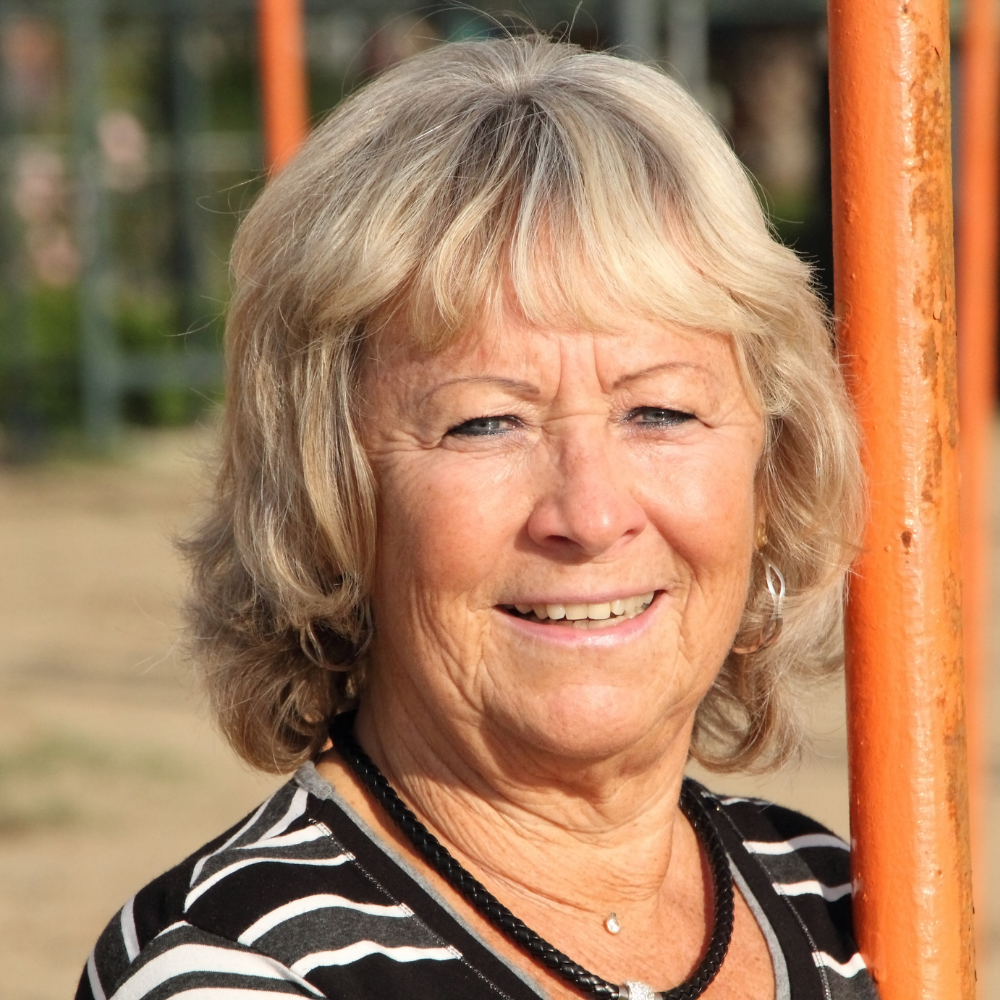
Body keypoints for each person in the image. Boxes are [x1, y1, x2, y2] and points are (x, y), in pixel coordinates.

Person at [77, 35, 877, 1000]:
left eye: (660, 411)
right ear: (331, 494)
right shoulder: (233, 973)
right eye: (485, 422)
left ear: (770, 468)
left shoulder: (847, 907)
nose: (588, 513)